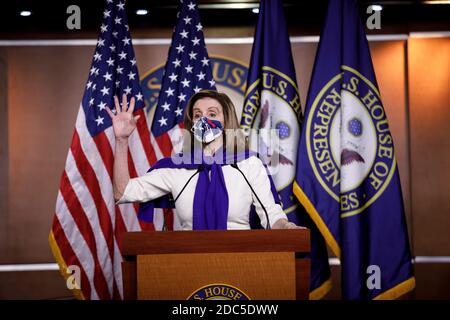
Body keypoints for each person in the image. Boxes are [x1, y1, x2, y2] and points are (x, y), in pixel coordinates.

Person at [106, 90, 300, 230]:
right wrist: (121, 141)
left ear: (227, 121)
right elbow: (122, 193)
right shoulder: (177, 168)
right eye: (197, 115)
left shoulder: (248, 164)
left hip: (241, 259)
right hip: (188, 262)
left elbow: (272, 215)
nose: (203, 120)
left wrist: (286, 226)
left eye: (212, 114)